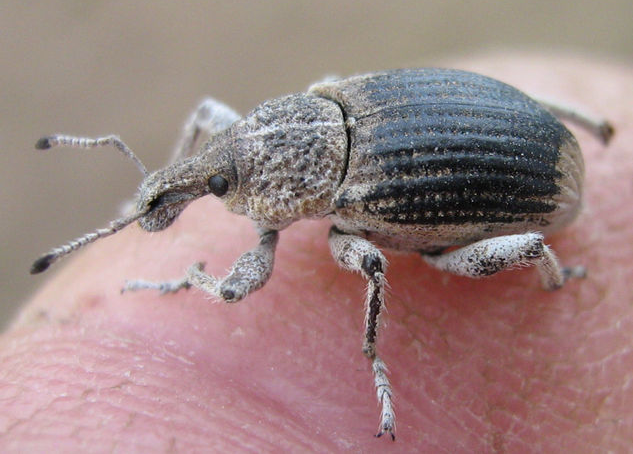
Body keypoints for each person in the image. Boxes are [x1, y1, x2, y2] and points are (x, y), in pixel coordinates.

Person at [2, 55, 630, 451]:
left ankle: (548, 283)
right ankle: (598, 128)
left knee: (526, 249)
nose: (211, 182)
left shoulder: (355, 209)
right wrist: (177, 183)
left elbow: (306, 276)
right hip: (501, 121)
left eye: (221, 185)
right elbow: (208, 129)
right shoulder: (330, 97)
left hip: (534, 187)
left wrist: (199, 277)